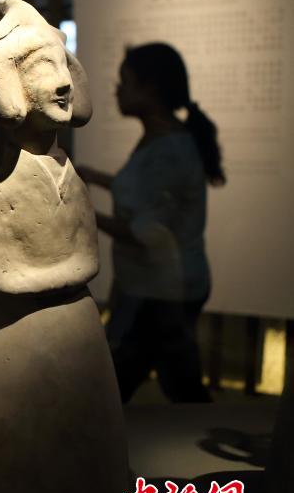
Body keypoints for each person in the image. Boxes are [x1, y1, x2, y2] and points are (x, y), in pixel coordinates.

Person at [78, 42, 225, 403]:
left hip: (160, 291)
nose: (117, 90)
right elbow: (143, 194)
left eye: (125, 81)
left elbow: (143, 232)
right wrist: (95, 177)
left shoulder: (168, 150)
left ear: (151, 89)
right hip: (159, 286)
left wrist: (79, 213)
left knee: (117, 382)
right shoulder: (163, 139)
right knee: (174, 380)